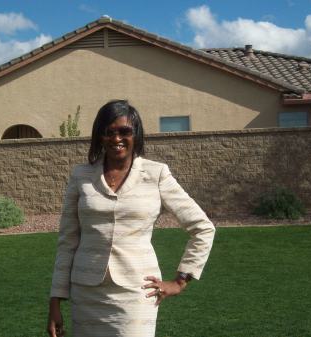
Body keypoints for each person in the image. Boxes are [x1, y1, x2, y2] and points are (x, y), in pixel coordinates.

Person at [47, 100, 215, 337]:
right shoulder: (81, 176)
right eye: (109, 132)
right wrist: (55, 300)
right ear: (100, 136)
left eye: (125, 131)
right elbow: (67, 241)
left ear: (136, 135)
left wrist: (179, 281)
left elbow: (203, 228)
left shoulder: (156, 174)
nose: (117, 139)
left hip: (137, 292)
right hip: (86, 293)